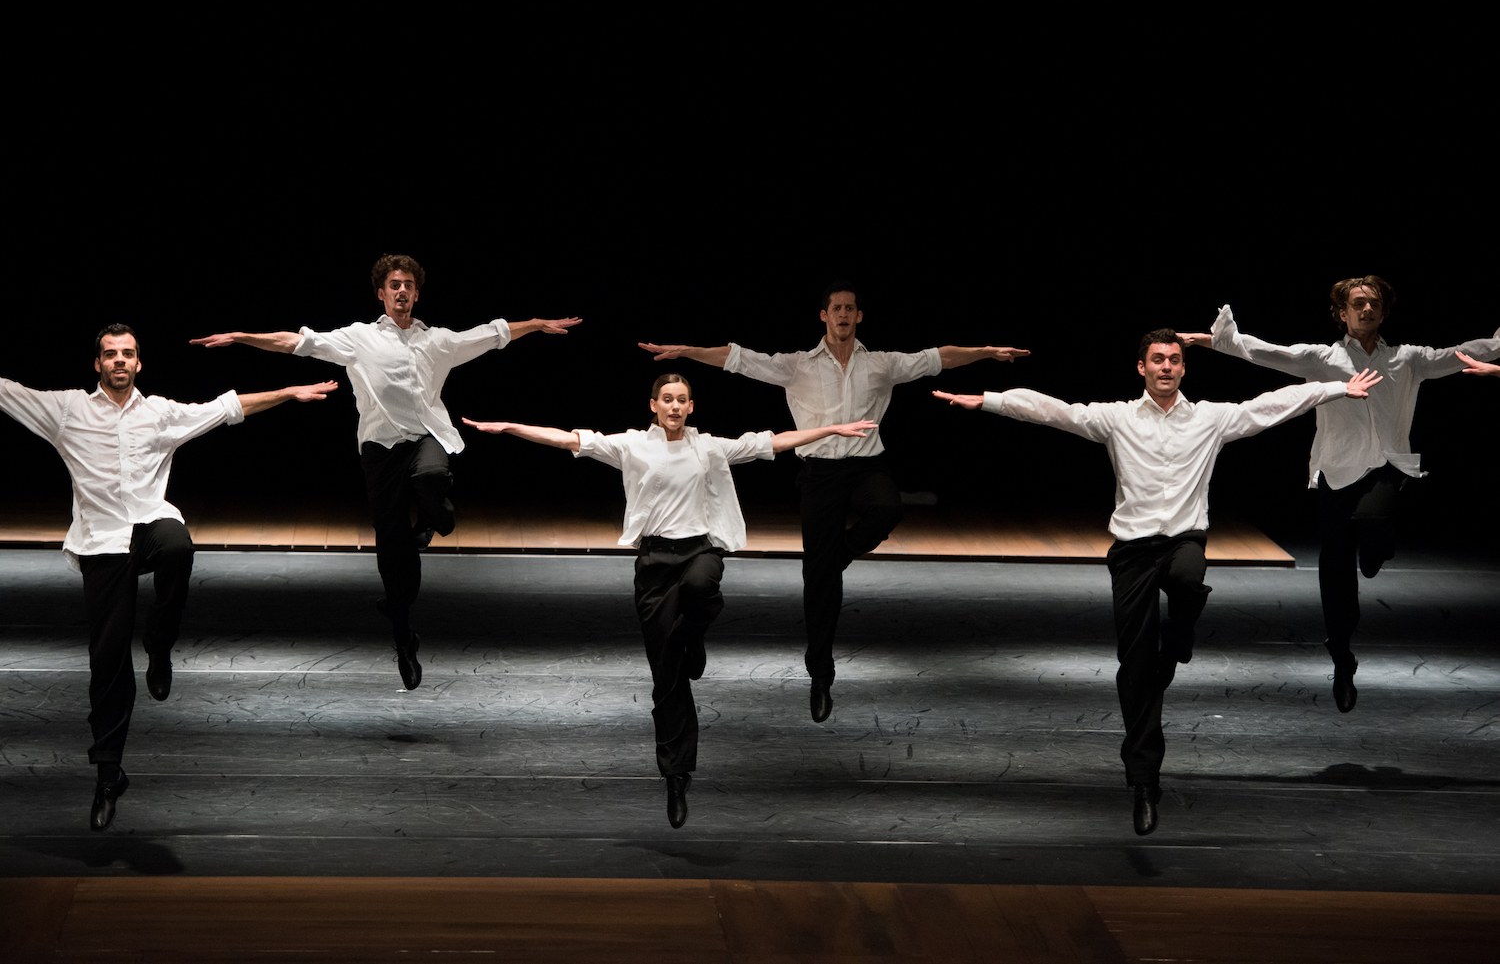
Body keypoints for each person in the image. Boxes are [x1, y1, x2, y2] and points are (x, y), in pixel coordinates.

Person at [934, 329, 1380, 835]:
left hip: (1184, 542)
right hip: (1131, 552)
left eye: (1174, 359)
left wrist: (1334, 388)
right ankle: (1144, 780)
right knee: (1137, 670)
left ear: (1184, 368)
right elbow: (1054, 410)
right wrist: (990, 400)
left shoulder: (1210, 418)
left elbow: (1271, 405)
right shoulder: (1117, 418)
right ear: (1141, 368)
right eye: (1157, 359)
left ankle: (1179, 636)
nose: (1166, 366)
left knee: (1190, 578)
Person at [462, 373, 877, 828]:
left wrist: (832, 430)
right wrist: (510, 427)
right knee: (668, 678)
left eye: (682, 400)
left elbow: (774, 443)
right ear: (654, 406)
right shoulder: (632, 445)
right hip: (655, 564)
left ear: (691, 407)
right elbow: (568, 440)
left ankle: (695, 633)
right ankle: (676, 776)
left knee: (702, 586)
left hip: (700, 552)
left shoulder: (710, 447)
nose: (675, 407)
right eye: (668, 400)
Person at [640, 279, 1030, 723]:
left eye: (850, 308)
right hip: (820, 476)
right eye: (836, 309)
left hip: (866, 469)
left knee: (887, 509)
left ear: (859, 316)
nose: (843, 314)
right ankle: (820, 676)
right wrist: (687, 351)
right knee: (820, 586)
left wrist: (987, 351)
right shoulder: (798, 366)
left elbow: (937, 358)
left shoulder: (880, 365)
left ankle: (837, 556)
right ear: (824, 316)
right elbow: (738, 359)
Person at [191, 253, 581, 691]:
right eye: (394, 284)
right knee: (394, 556)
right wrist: (242, 337)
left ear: (417, 293)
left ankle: (439, 521)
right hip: (380, 450)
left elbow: (494, 334)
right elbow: (295, 343)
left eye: (409, 285)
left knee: (432, 477)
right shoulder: (358, 339)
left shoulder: (438, 341)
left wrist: (536, 323)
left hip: (427, 439)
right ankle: (403, 632)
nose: (401, 291)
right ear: (382, 293)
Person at [1, 324, 338, 831]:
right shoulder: (66, 410)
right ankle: (109, 775)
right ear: (97, 364)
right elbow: (6, 391)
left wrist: (288, 392)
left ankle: (159, 646)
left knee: (178, 544)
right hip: (101, 544)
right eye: (110, 354)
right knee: (107, 662)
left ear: (139, 364)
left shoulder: (160, 413)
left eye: (128, 354)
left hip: (149, 528)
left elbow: (227, 408)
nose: (119, 360)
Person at [1178, 277, 1499, 712]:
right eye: (1357, 304)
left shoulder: (1408, 360)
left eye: (1374, 304)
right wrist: (1219, 342)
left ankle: (1375, 549)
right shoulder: (1322, 358)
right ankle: (1342, 659)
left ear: (1384, 312)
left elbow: (1463, 352)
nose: (1366, 310)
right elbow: (1270, 353)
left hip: (1386, 468)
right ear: (1342, 313)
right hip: (1336, 474)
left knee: (1374, 523)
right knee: (1335, 575)